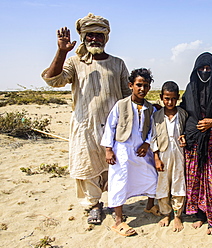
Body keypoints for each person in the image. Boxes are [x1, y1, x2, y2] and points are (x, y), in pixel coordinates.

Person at [41, 13, 131, 225]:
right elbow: (53, 80)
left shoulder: (117, 64)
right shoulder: (74, 62)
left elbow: (127, 94)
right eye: (89, 35)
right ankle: (94, 206)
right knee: (88, 167)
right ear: (83, 37)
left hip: (114, 127)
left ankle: (115, 203)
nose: (94, 39)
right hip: (85, 126)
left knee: (115, 167)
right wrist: (61, 51)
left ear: (105, 38)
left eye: (98, 35)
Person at [180, 52, 212, 235]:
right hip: (194, 140)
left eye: (208, 68)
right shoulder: (190, 88)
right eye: (201, 68)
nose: (204, 71)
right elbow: (184, 111)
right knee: (195, 178)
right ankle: (200, 214)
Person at [100, 68, 158, 236]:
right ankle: (118, 221)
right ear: (131, 85)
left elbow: (152, 130)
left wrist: (147, 144)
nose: (142, 89)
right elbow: (110, 127)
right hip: (122, 150)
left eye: (146, 86)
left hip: (141, 151)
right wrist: (108, 149)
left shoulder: (150, 108)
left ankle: (149, 206)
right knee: (119, 182)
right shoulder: (121, 105)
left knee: (151, 177)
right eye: (139, 85)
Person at [151, 81, 188, 232]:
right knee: (163, 183)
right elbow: (153, 137)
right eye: (166, 98)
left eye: (173, 99)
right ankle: (165, 213)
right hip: (163, 153)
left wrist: (186, 138)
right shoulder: (157, 116)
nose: (170, 102)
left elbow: (187, 131)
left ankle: (177, 214)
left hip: (179, 153)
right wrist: (156, 157)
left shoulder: (183, 114)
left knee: (179, 182)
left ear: (178, 98)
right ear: (161, 97)